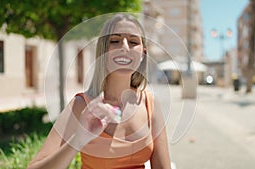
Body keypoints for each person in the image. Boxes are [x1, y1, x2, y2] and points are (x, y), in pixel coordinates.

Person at [27, 13, 171, 169]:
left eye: (133, 41)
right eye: (115, 41)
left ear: (142, 54)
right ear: (103, 51)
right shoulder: (81, 105)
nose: (124, 47)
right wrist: (77, 141)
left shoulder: (151, 104)